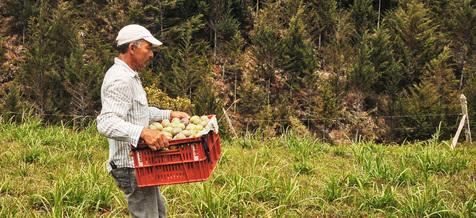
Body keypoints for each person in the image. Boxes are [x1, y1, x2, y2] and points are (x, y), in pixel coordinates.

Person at [97, 24, 189, 218]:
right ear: (132, 48)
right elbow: (106, 122)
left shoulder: (130, 77)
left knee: (159, 213)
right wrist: (142, 133)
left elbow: (138, 111)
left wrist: (168, 114)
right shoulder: (120, 79)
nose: (151, 54)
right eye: (148, 48)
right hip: (131, 166)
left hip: (140, 164)